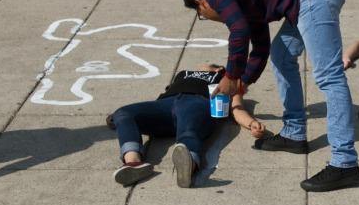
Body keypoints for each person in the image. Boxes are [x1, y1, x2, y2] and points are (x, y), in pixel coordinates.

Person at [182, 0, 359, 192]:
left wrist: (231, 76)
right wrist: (243, 81)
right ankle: (294, 133)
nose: (210, 18)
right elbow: (260, 46)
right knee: (281, 55)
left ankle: (345, 163)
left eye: (202, 16)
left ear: (200, 3)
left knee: (329, 76)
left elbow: (238, 30)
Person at [109, 64, 266, 188]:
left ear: (218, 69)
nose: (200, 67)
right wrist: (120, 118)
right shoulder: (182, 74)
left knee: (189, 131)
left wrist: (251, 123)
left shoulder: (227, 79)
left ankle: (189, 164)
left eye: (207, 65)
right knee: (123, 112)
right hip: (166, 104)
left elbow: (236, 108)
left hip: (198, 103)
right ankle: (134, 163)